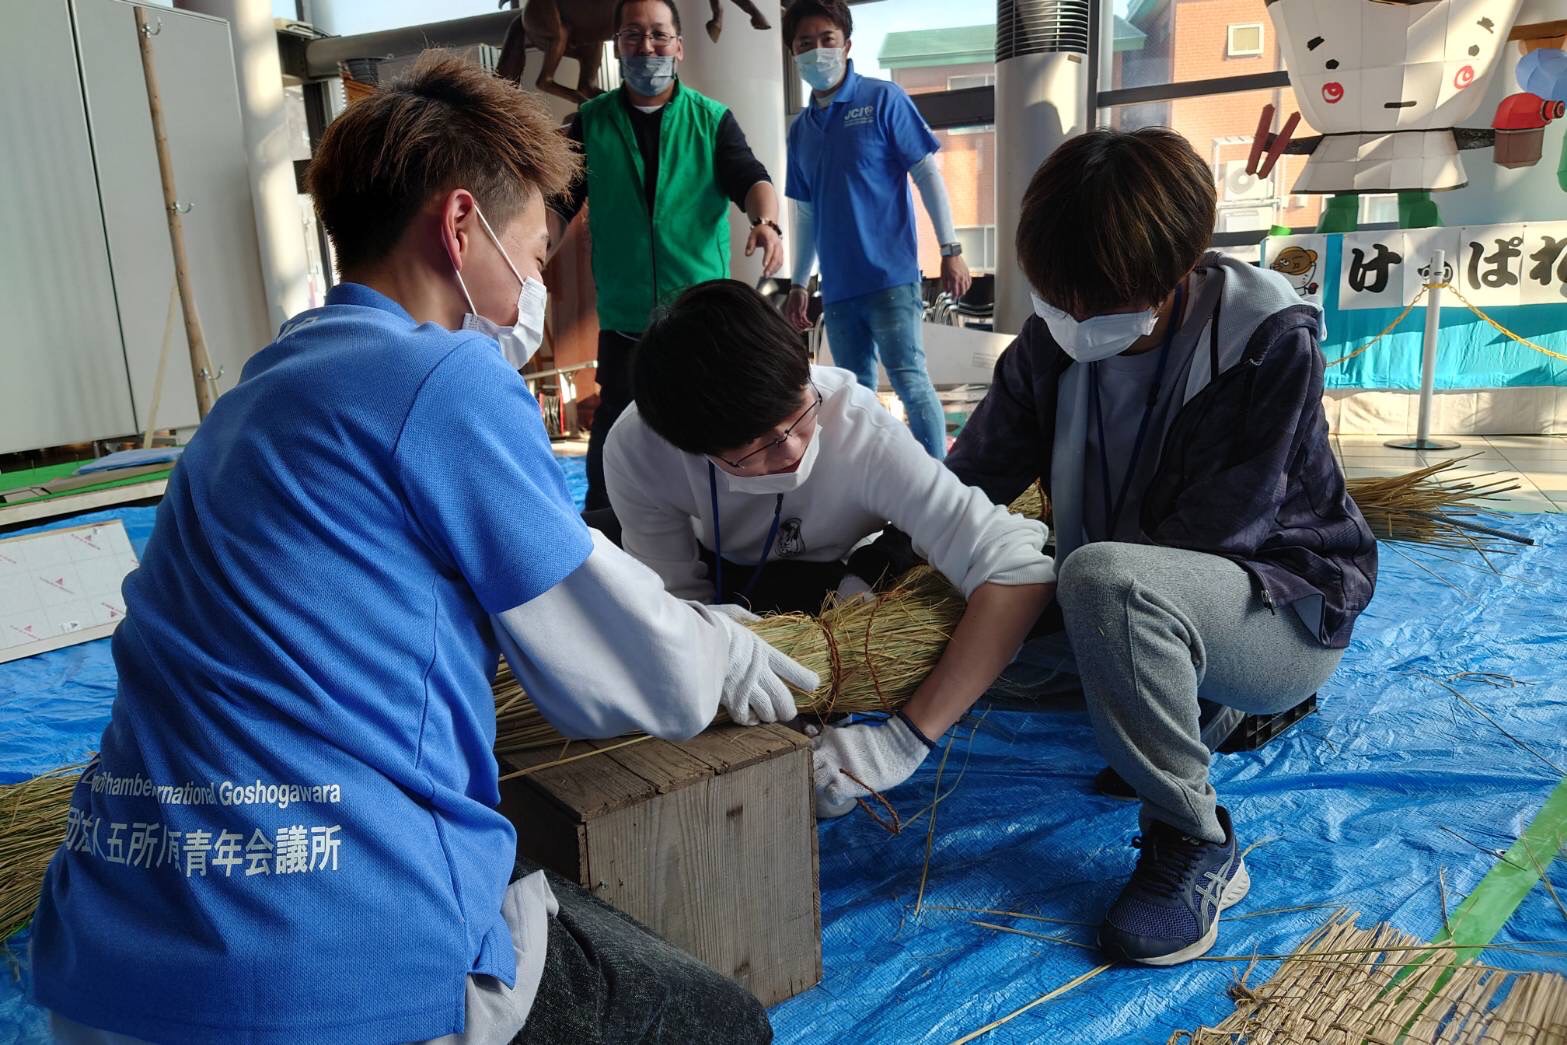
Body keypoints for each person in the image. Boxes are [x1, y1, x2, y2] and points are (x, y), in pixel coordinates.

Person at [29, 54, 813, 1045]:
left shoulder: (248, 401)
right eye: (530, 256)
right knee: (725, 1026)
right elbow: (606, 666)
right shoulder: (441, 378)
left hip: (103, 961)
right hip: (320, 962)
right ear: (457, 228)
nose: (534, 285)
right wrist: (728, 652)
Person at [943, 127, 1378, 966]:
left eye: (1094, 303)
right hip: (1128, 595)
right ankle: (1192, 710)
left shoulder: (1262, 338)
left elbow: (1214, 537)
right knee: (979, 606)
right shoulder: (1054, 332)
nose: (1070, 322)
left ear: (1175, 274)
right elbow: (972, 480)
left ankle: (1195, 835)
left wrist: (1054, 601)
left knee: (1101, 580)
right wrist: (869, 560)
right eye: (1054, 298)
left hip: (1274, 608)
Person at [602, 279, 1054, 817]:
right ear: (694, 448)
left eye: (799, 411)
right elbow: (673, 599)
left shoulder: (859, 428)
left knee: (819, 797)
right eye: (758, 446)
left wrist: (902, 740)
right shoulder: (639, 448)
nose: (792, 448)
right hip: (719, 578)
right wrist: (715, 648)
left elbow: (1018, 573)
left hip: (830, 581)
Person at [550, 0, 784, 511]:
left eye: (659, 35)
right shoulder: (591, 123)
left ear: (678, 45)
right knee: (611, 454)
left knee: (711, 437)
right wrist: (530, 254)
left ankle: (720, 536)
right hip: (625, 324)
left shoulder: (712, 120)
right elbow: (560, 205)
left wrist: (766, 224)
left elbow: (752, 178)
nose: (647, 47)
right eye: (633, 35)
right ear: (617, 47)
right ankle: (605, 542)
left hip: (700, 322)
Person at [780, 0, 971, 461]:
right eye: (806, 43)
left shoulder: (883, 100)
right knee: (854, 393)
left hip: (891, 278)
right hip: (840, 288)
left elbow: (927, 173)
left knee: (910, 380)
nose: (817, 51)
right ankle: (873, 481)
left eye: (827, 40)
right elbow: (805, 213)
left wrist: (951, 248)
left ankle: (938, 480)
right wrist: (799, 282)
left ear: (847, 46)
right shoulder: (801, 130)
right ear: (793, 52)